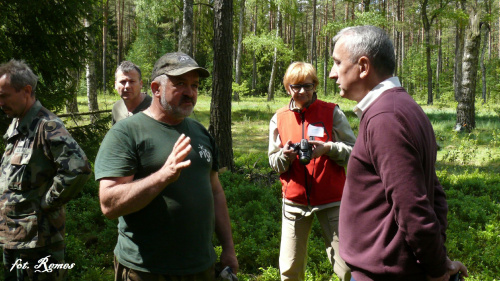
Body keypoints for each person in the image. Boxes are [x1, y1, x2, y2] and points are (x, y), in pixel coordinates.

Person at [329, 25, 468, 281]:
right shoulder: (401, 107)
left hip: (385, 273)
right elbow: (433, 192)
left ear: (363, 66)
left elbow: (412, 204)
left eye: (337, 63)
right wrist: (437, 258)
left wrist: (437, 268)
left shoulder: (386, 118)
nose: (332, 74)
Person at [94, 52, 238, 280]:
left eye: (194, 85)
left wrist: (228, 248)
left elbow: (216, 191)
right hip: (146, 270)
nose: (190, 92)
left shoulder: (200, 132)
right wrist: (163, 176)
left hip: (201, 267)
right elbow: (109, 204)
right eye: (179, 84)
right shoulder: (126, 133)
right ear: (155, 88)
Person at [0, 59, 91, 280]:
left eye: (4, 95)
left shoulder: (47, 126)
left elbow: (78, 168)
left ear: (26, 91)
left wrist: (48, 202)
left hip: (39, 243)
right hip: (13, 238)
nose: (0, 102)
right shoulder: (17, 124)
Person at [268, 62, 356, 281]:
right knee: (289, 269)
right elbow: (273, 161)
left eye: (307, 86)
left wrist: (328, 149)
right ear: (287, 88)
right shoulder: (279, 118)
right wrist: (284, 157)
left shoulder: (331, 112)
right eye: (295, 86)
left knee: (346, 267)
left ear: (315, 86)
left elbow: (355, 151)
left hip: (332, 199)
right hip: (294, 202)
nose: (301, 92)